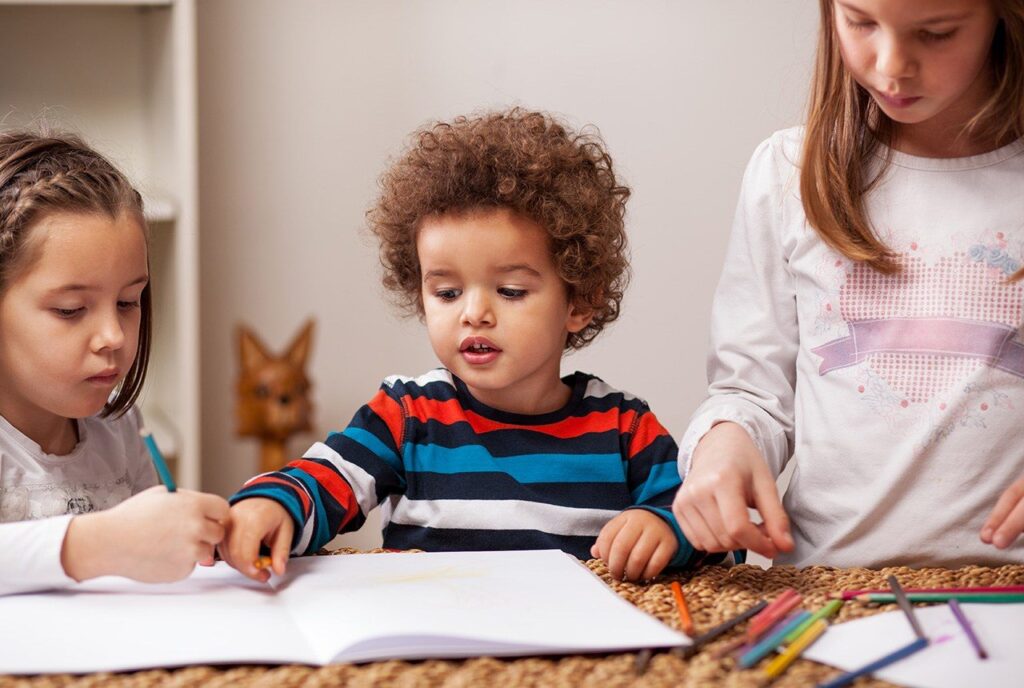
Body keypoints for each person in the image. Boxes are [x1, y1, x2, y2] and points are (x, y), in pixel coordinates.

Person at [222, 109, 714, 582]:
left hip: (571, 662)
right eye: (447, 292)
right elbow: (324, 480)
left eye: (511, 291)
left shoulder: (624, 429)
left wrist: (667, 531)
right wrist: (273, 504)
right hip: (432, 659)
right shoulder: (407, 416)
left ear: (579, 301)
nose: (472, 313)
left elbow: (712, 529)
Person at [673, 0, 1024, 568]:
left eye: (935, 34)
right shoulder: (788, 170)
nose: (891, 65)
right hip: (827, 588)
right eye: (860, 21)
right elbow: (751, 393)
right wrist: (722, 448)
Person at [0, 131, 230, 595]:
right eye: (70, 310)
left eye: (128, 301)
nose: (114, 337)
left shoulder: (120, 429)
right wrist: (96, 543)